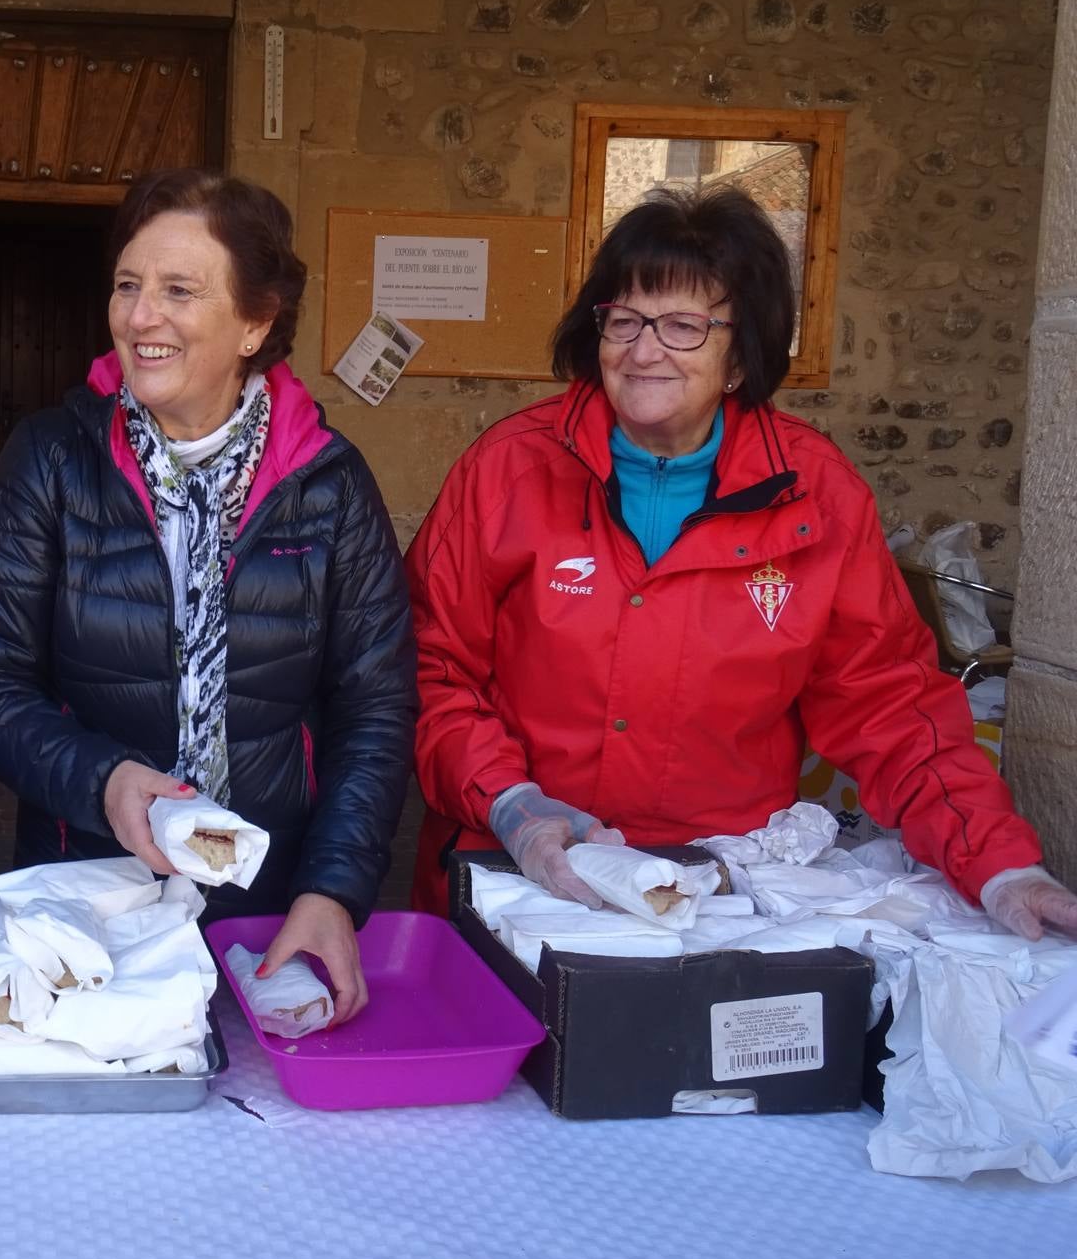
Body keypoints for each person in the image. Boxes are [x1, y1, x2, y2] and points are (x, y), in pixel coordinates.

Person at [407, 186, 1077, 941]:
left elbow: (892, 706)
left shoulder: (815, 495)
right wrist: (510, 805)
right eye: (623, 319)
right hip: (513, 877)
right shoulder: (510, 471)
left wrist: (998, 864)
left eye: (684, 326)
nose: (643, 348)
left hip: (715, 894)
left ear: (740, 356)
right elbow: (431, 665)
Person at [0, 168, 416, 1023]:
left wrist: (335, 891)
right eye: (128, 286)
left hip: (274, 903)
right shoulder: (53, 459)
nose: (139, 316)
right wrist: (103, 781)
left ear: (256, 322)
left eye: (178, 291)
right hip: (90, 895)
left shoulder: (330, 484)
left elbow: (374, 709)